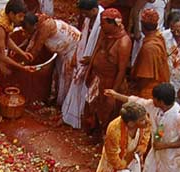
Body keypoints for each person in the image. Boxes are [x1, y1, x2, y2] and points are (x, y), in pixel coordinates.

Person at [105, 84, 180, 172]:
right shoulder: (154, 107)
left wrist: (164, 146)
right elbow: (136, 101)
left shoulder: (179, 116)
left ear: (161, 101)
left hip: (173, 158)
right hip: (157, 152)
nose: (151, 100)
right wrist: (116, 95)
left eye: (154, 98)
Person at [86, 9, 135, 132]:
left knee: (108, 113)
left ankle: (105, 137)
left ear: (113, 24)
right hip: (97, 79)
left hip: (110, 83)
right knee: (92, 107)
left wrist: (113, 93)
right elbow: (96, 49)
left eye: (103, 24)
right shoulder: (104, 32)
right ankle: (94, 130)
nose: (101, 26)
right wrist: (89, 71)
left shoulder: (124, 42)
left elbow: (121, 70)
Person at [22, 13, 82, 105]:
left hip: (73, 48)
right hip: (62, 50)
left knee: (67, 78)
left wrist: (22, 65)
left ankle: (65, 105)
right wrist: (19, 48)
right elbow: (30, 40)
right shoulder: (37, 20)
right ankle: (58, 99)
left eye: (28, 29)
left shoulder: (45, 27)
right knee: (59, 75)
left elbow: (36, 49)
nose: (27, 31)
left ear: (34, 25)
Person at [62, 0, 105, 129]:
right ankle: (70, 117)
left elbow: (104, 46)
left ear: (93, 10)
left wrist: (92, 59)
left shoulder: (104, 20)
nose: (84, 16)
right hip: (83, 57)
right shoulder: (89, 18)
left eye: (86, 13)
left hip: (94, 62)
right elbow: (82, 36)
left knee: (87, 91)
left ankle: (83, 121)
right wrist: (76, 54)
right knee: (76, 85)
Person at [131, 10, 171, 97]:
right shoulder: (159, 37)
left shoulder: (149, 48)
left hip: (149, 92)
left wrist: (135, 91)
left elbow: (145, 77)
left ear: (142, 25)